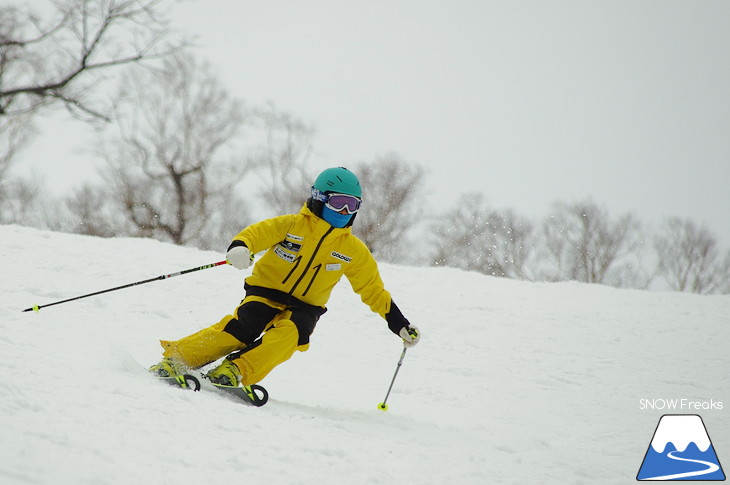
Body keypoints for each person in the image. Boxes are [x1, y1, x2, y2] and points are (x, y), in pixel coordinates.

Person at [150, 166, 420, 388]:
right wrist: (241, 248)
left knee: (291, 336)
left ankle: (235, 371)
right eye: (339, 203)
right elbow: (256, 234)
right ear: (320, 198)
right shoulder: (291, 225)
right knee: (243, 328)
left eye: (352, 205)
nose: (345, 212)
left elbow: (372, 290)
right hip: (266, 293)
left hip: (306, 307)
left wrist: (399, 324)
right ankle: (178, 359)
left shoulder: (353, 250)